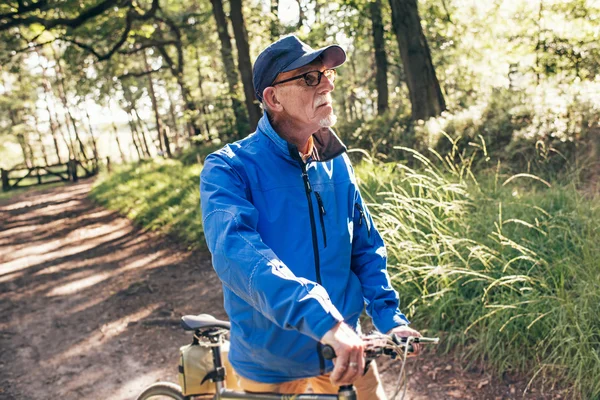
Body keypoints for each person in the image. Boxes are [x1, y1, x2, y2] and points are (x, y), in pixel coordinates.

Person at [199, 35, 421, 399]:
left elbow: (364, 249)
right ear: (273, 99)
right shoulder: (228, 168)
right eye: (310, 78)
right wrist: (325, 322)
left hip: (346, 354)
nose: (328, 84)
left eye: (328, 73)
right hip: (268, 365)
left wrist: (390, 319)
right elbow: (237, 256)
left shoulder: (337, 161)